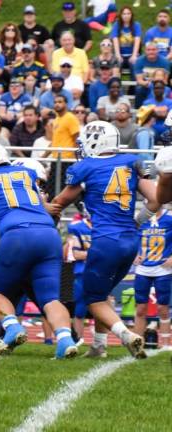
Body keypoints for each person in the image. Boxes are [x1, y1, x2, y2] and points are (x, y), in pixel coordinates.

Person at [50, 121, 158, 359]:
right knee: (104, 292)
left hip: (105, 241)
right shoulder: (131, 162)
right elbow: (155, 199)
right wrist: (138, 222)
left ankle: (126, 335)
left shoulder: (85, 167)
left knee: (92, 298)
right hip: (131, 240)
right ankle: (99, 346)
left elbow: (58, 203)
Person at [0, 141, 77, 358]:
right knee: (50, 299)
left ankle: (13, 327)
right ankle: (65, 339)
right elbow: (30, 200)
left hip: (17, 235)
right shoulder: (26, 173)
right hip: (49, 235)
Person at [132, 208, 172, 347]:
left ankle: (166, 345)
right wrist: (134, 254)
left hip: (163, 269)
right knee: (140, 308)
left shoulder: (169, 218)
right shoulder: (140, 218)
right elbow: (130, 238)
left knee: (163, 308)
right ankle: (137, 343)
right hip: (143, 268)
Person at [65, 209, 92, 346]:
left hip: (101, 271)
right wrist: (98, 254)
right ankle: (78, 338)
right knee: (79, 308)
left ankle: (100, 341)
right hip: (82, 271)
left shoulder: (105, 226)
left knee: (104, 303)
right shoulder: (77, 227)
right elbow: (76, 254)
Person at [135, 41, 171, 107]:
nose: (151, 52)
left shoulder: (165, 61)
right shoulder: (139, 61)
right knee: (139, 90)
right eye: (148, 50)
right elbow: (139, 81)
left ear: (157, 50)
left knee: (164, 89)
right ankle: (138, 110)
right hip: (145, 85)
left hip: (161, 85)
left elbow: (165, 81)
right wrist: (150, 83)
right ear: (145, 51)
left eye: (153, 50)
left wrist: (156, 83)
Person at [110, 6, 141, 73]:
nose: (126, 16)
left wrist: (134, 55)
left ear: (131, 15)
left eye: (128, 13)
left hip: (132, 54)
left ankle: (136, 83)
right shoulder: (116, 25)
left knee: (135, 66)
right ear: (120, 15)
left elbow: (137, 40)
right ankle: (116, 82)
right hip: (120, 54)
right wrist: (118, 55)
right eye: (124, 14)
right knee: (116, 67)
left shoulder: (136, 25)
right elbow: (115, 40)